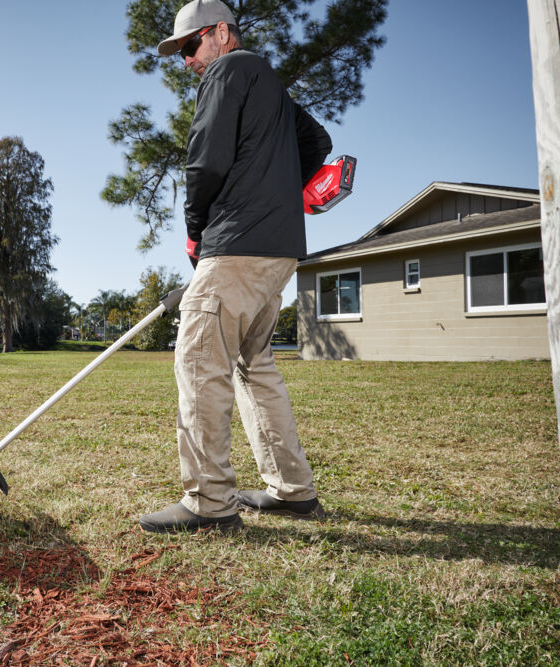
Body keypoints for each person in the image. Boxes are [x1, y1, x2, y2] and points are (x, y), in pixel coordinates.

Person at [138, 0, 332, 533]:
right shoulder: (270, 82)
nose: (187, 61)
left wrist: (197, 229)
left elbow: (206, 158)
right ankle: (292, 490)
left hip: (236, 244)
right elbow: (318, 142)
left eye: (190, 45)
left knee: (199, 363)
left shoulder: (228, 70)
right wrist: (274, 191)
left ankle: (208, 503)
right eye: (180, 52)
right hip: (280, 249)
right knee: (255, 366)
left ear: (222, 33)